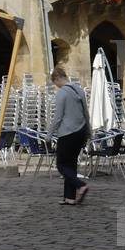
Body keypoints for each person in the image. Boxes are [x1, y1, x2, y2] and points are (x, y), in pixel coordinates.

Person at [50, 66, 92, 206]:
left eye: (55, 83)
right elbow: (86, 113)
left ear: (57, 79)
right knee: (71, 165)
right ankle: (69, 197)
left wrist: (49, 134)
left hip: (67, 133)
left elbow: (58, 117)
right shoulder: (79, 90)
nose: (56, 86)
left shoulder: (62, 93)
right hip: (81, 132)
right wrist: (89, 131)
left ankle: (81, 185)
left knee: (61, 165)